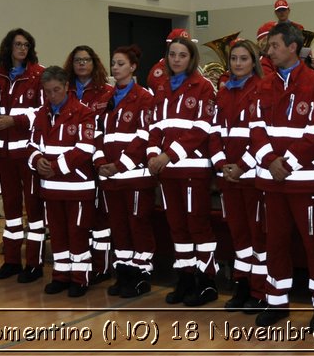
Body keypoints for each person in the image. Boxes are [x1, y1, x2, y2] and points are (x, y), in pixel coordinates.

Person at [252, 22, 314, 329]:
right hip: (272, 184)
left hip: (304, 183)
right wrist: (270, 161)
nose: (268, 51)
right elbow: (255, 129)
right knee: (274, 243)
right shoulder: (263, 84)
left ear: (292, 47)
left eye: (273, 46)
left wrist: (284, 163)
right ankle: (276, 302)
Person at [148, 36, 221, 306]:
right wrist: (153, 156)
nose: (176, 59)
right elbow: (154, 127)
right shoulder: (162, 87)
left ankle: (206, 281)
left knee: (197, 226)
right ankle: (186, 278)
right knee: (177, 228)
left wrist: (168, 154)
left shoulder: (203, 87)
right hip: (167, 173)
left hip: (193, 170)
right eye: (173, 55)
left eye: (182, 55)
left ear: (191, 59)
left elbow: (202, 129)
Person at [93, 45, 159, 298]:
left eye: (121, 64)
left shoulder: (144, 97)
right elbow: (97, 134)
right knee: (118, 226)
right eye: (113, 63)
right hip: (110, 177)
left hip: (134, 177)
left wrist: (120, 165)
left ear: (132, 67)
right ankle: (124, 273)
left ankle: (141, 276)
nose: (115, 68)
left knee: (137, 225)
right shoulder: (106, 98)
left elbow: (144, 136)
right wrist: (100, 163)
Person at [28, 66, 99, 297]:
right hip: (50, 189)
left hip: (77, 188)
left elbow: (85, 149)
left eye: (56, 90)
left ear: (67, 87)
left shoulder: (83, 112)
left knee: (77, 233)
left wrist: (55, 167)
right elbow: (31, 145)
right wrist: (37, 161)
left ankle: (79, 278)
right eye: (47, 91)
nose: (52, 95)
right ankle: (60, 275)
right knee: (57, 234)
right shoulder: (41, 113)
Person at [212, 38, 267, 313]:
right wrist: (222, 164)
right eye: (234, 59)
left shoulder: (262, 89)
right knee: (239, 236)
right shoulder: (223, 93)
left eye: (244, 59)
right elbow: (214, 134)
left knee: (258, 236)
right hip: (228, 177)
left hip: (252, 176)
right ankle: (242, 284)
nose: (238, 64)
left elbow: (262, 136)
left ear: (253, 61)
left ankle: (260, 290)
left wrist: (242, 166)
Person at [0, 28, 47, 283]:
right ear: (8, 48)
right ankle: (11, 260)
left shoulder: (38, 74)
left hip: (28, 153)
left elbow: (44, 110)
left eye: (26, 45)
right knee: (10, 210)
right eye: (18, 44)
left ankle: (34, 263)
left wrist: (14, 119)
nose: (22, 49)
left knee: (34, 210)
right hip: (4, 154)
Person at [65, 46, 114, 285]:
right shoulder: (66, 90)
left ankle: (102, 266)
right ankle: (80, 266)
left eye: (86, 59)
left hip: (99, 159)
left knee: (101, 217)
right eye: (77, 60)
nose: (82, 64)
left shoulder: (107, 91)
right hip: (74, 163)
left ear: (94, 63)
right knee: (80, 220)